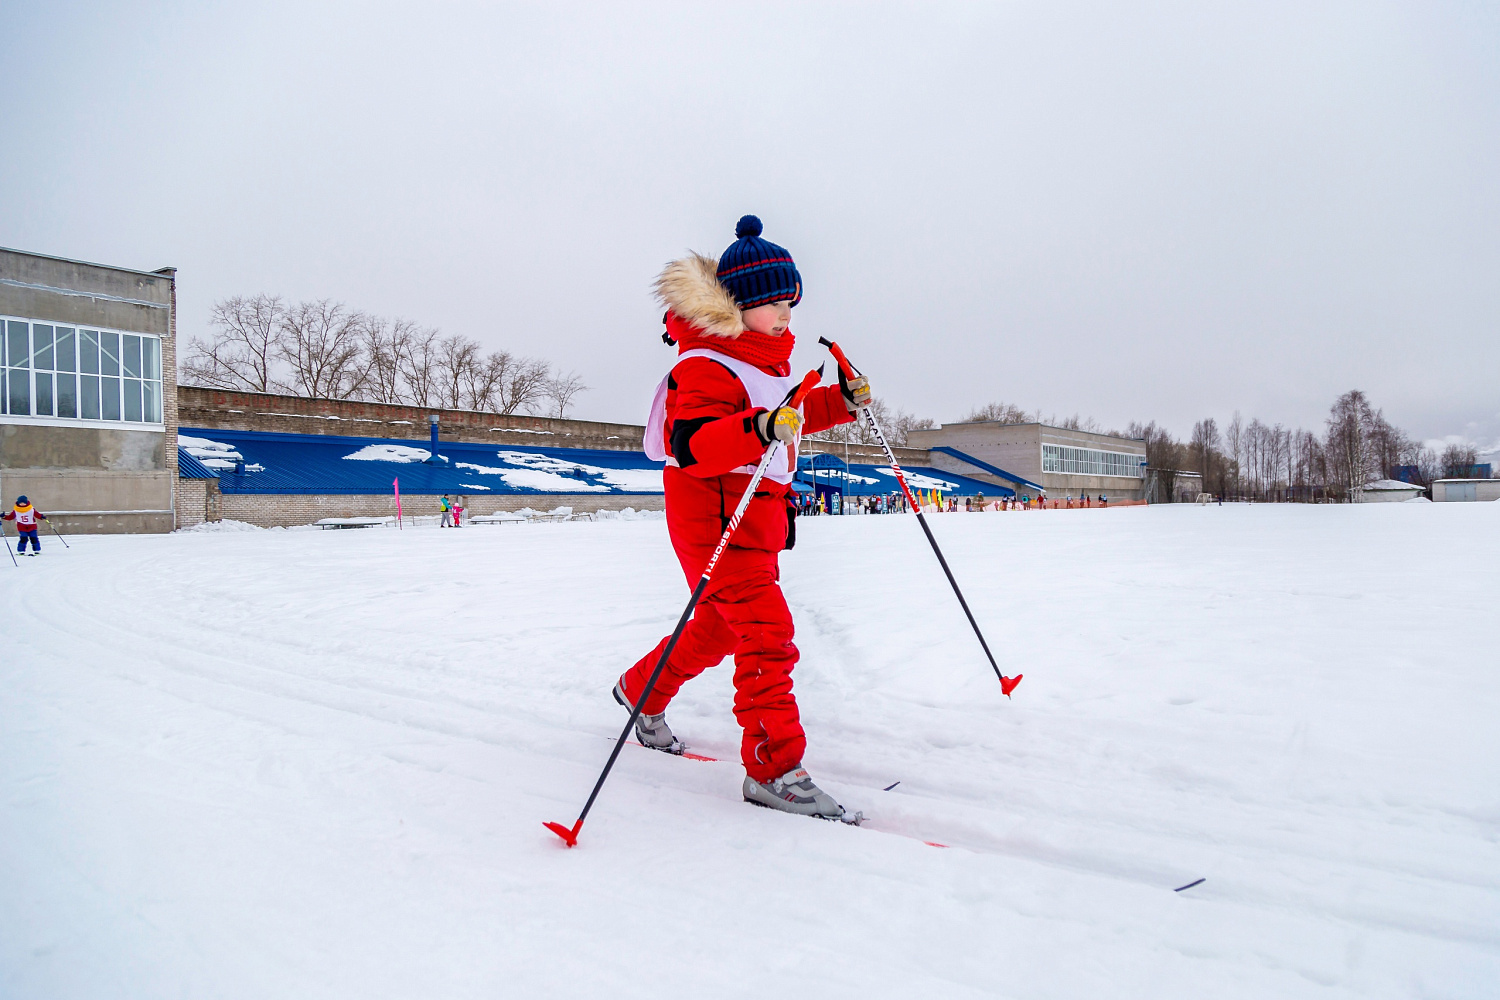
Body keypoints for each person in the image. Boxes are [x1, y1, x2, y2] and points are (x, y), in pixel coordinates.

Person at [618, 215, 871, 820]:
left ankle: (640, 691)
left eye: (793, 302)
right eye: (775, 303)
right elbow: (698, 443)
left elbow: (787, 412)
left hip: (756, 524)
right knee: (766, 634)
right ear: (741, 305)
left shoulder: (765, 362)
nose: (787, 314)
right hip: (714, 523)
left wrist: (839, 402)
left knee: (717, 630)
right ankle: (774, 768)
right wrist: (759, 428)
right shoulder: (704, 365)